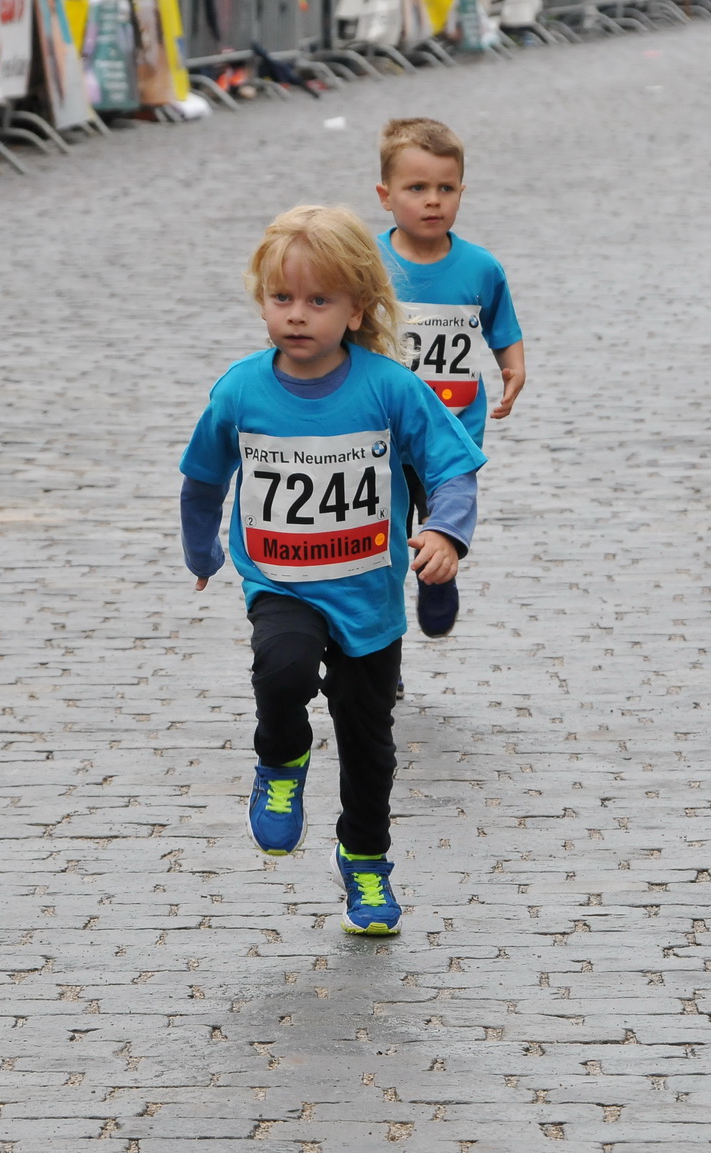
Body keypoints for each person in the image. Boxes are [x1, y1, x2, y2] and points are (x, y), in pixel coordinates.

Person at [179, 206, 486, 936]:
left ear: (356, 307)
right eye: (281, 298)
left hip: (368, 596)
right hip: (279, 579)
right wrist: (201, 552)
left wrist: (445, 531)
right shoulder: (241, 390)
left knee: (367, 741)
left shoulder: (389, 388)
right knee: (280, 668)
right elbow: (201, 478)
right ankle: (281, 758)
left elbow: (453, 469)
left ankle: (364, 855)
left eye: (319, 301)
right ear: (260, 300)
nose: (297, 316)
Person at [372, 118, 523, 641]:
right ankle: (379, 649)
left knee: (447, 509)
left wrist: (513, 366)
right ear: (386, 195)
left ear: (461, 190)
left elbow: (501, 325)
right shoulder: (368, 263)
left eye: (445, 188)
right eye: (417, 188)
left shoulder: (480, 267)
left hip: (454, 425)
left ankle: (440, 567)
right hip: (383, 431)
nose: (432, 201)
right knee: (384, 538)